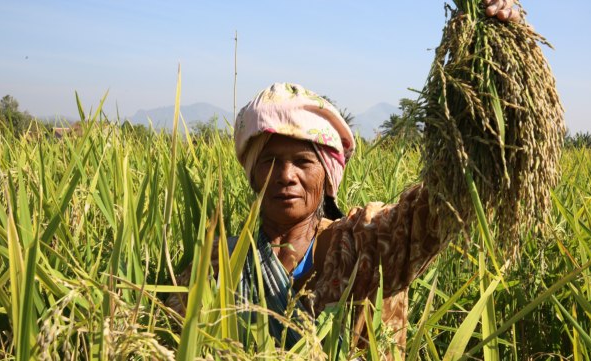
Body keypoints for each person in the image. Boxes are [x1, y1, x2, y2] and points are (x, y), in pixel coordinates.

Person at [167, 1, 521, 353]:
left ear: (327, 175)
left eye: (303, 162)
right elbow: (168, 334)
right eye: (271, 161)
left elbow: (446, 199)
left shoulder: (366, 243)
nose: (286, 175)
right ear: (252, 174)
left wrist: (487, 57)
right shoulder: (221, 263)